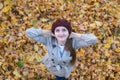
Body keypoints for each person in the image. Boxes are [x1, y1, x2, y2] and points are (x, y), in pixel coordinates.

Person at [26, 18, 97, 80]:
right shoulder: (48, 40)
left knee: (61, 78)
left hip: (65, 69)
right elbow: (29, 32)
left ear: (68, 32)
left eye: (64, 30)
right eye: (57, 30)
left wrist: (76, 35)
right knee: (58, 75)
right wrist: (48, 32)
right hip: (52, 65)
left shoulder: (73, 42)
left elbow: (93, 39)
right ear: (54, 33)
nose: (61, 33)